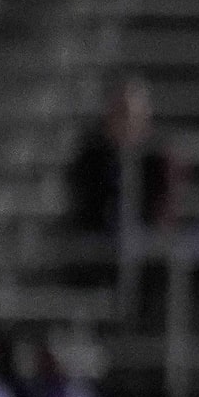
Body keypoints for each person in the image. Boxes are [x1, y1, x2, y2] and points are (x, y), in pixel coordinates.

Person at [63, 76, 173, 284]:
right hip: (98, 246)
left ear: (145, 118)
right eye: (120, 113)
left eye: (133, 115)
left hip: (146, 249)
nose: (126, 122)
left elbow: (163, 210)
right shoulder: (91, 156)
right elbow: (83, 206)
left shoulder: (158, 159)